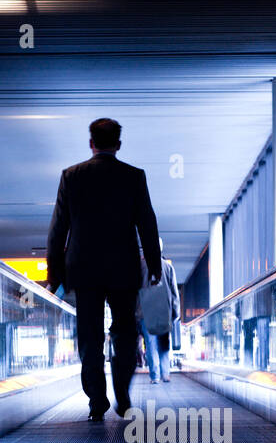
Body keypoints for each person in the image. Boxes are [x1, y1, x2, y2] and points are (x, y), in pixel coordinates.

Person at [46, 118, 162, 420]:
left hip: (83, 269)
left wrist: (53, 275)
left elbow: (58, 229)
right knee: (124, 331)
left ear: (91, 143)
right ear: (119, 144)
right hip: (122, 267)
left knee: (90, 335)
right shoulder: (134, 177)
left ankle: (97, 400)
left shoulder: (71, 176)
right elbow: (147, 223)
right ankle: (122, 395)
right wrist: (154, 265)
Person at [139, 238, 180, 383]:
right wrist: (176, 312)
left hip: (146, 310)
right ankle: (166, 374)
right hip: (163, 310)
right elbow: (174, 292)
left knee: (151, 345)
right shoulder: (168, 267)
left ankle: (155, 376)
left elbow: (135, 291)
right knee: (163, 343)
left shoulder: (140, 265)